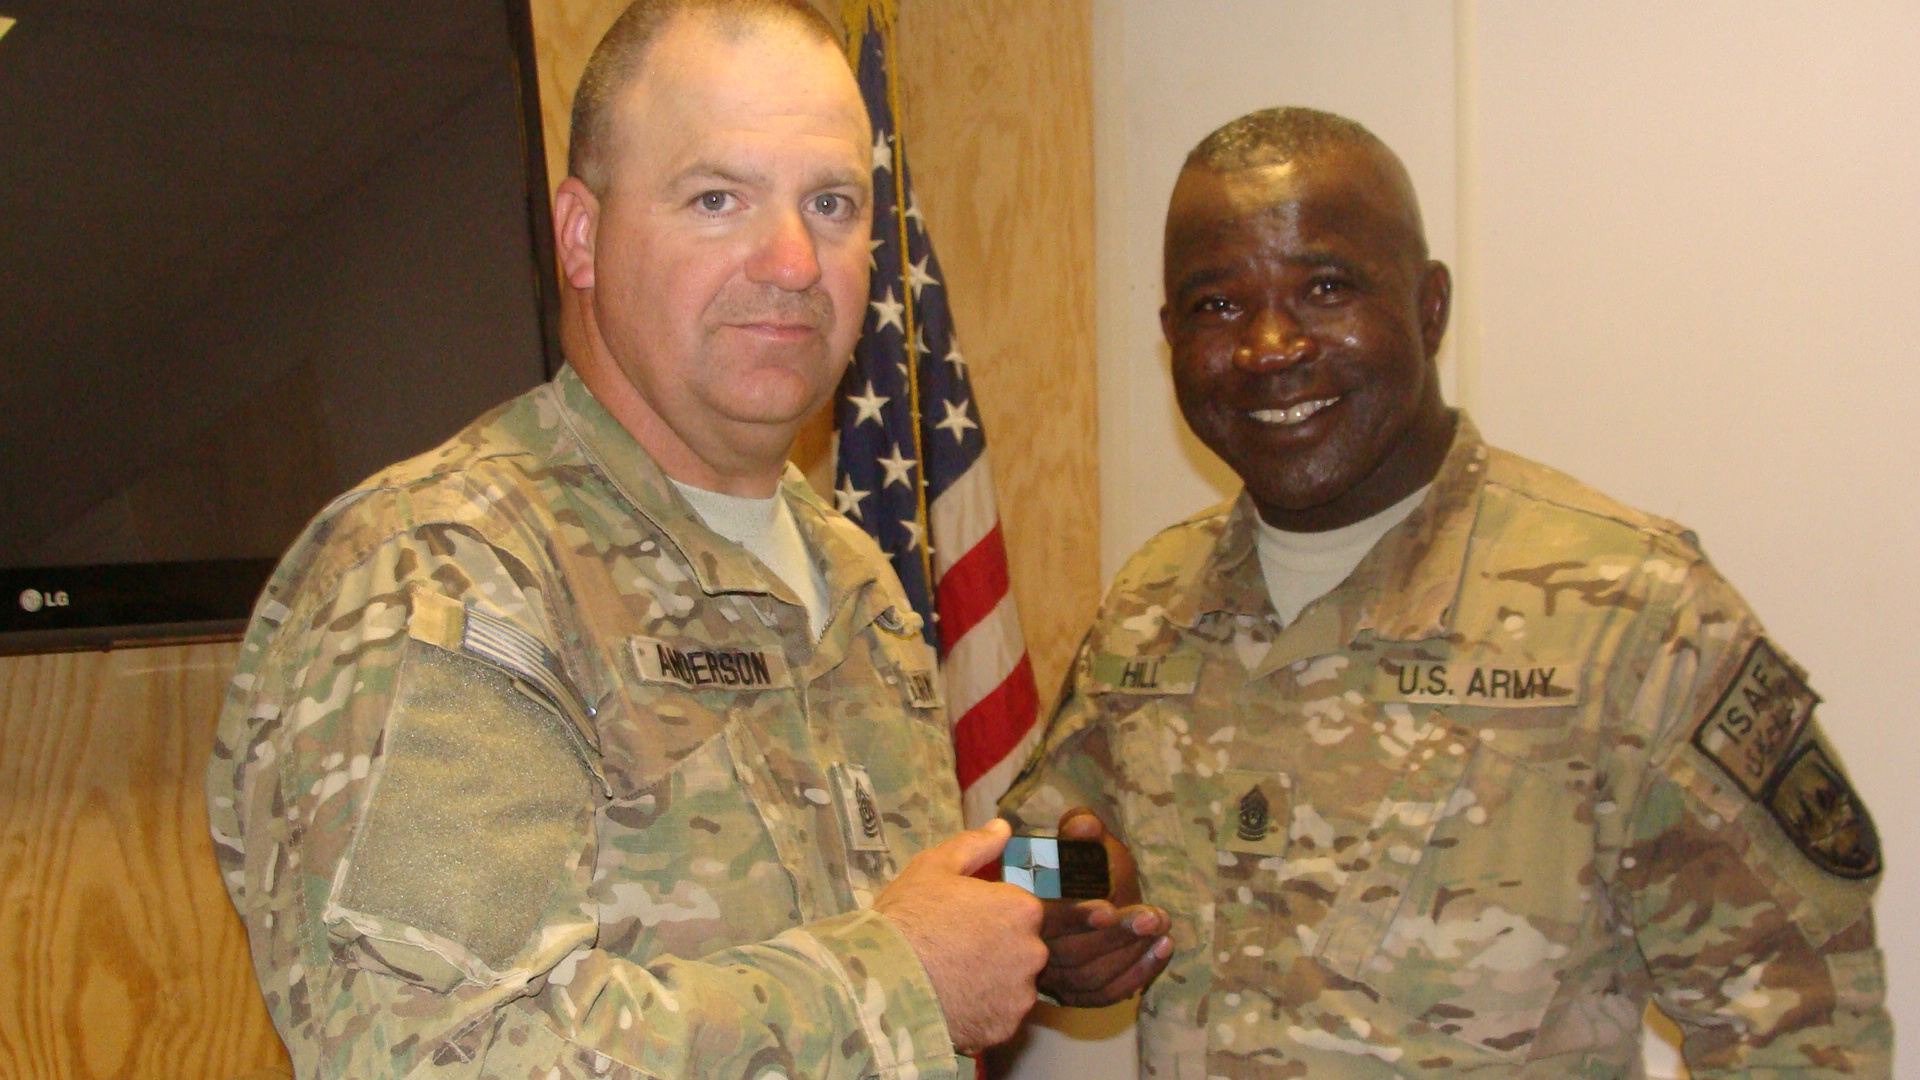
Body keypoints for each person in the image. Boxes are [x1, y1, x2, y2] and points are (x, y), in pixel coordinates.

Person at [208, 3, 1060, 1076]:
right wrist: (904, 982)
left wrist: (1027, 915)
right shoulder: (450, 571)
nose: (793, 260)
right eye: (718, 198)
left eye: (832, 203)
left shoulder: (850, 576)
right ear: (580, 236)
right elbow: (446, 1055)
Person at [1001, 107, 1889, 1077]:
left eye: (1325, 287)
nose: (1268, 346)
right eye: (1216, 306)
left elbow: (1799, 1019)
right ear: (1170, 335)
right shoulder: (1153, 602)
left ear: (1428, 307)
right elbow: (1031, 847)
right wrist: (1067, 913)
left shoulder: (1631, 612)